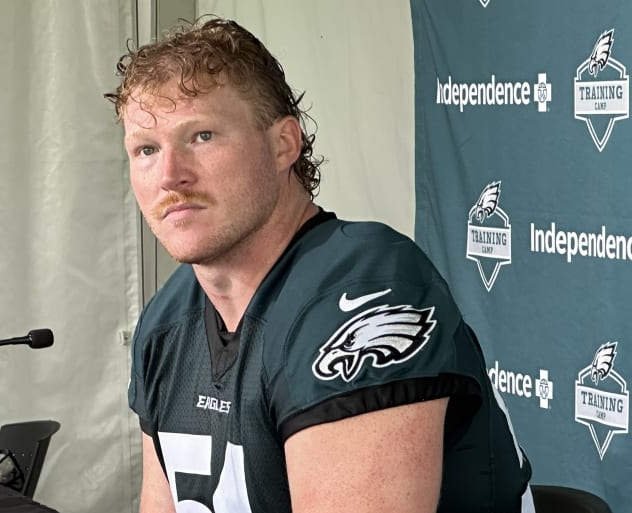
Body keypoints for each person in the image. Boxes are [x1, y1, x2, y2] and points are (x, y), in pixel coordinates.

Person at [106, 17, 534, 513]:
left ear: (283, 144)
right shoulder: (167, 321)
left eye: (202, 136)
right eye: (146, 149)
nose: (170, 176)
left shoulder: (364, 289)